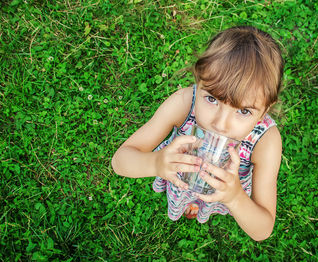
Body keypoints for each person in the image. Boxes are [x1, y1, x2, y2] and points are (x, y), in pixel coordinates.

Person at [112, 26, 284, 241]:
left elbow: (263, 229)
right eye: (212, 99)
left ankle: (201, 204)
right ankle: (190, 202)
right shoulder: (184, 103)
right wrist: (156, 163)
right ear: (198, 81)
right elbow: (120, 161)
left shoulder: (266, 141)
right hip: (181, 178)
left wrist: (235, 197)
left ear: (265, 110)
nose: (220, 124)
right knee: (189, 194)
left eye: (243, 111)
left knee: (211, 199)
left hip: (228, 190)